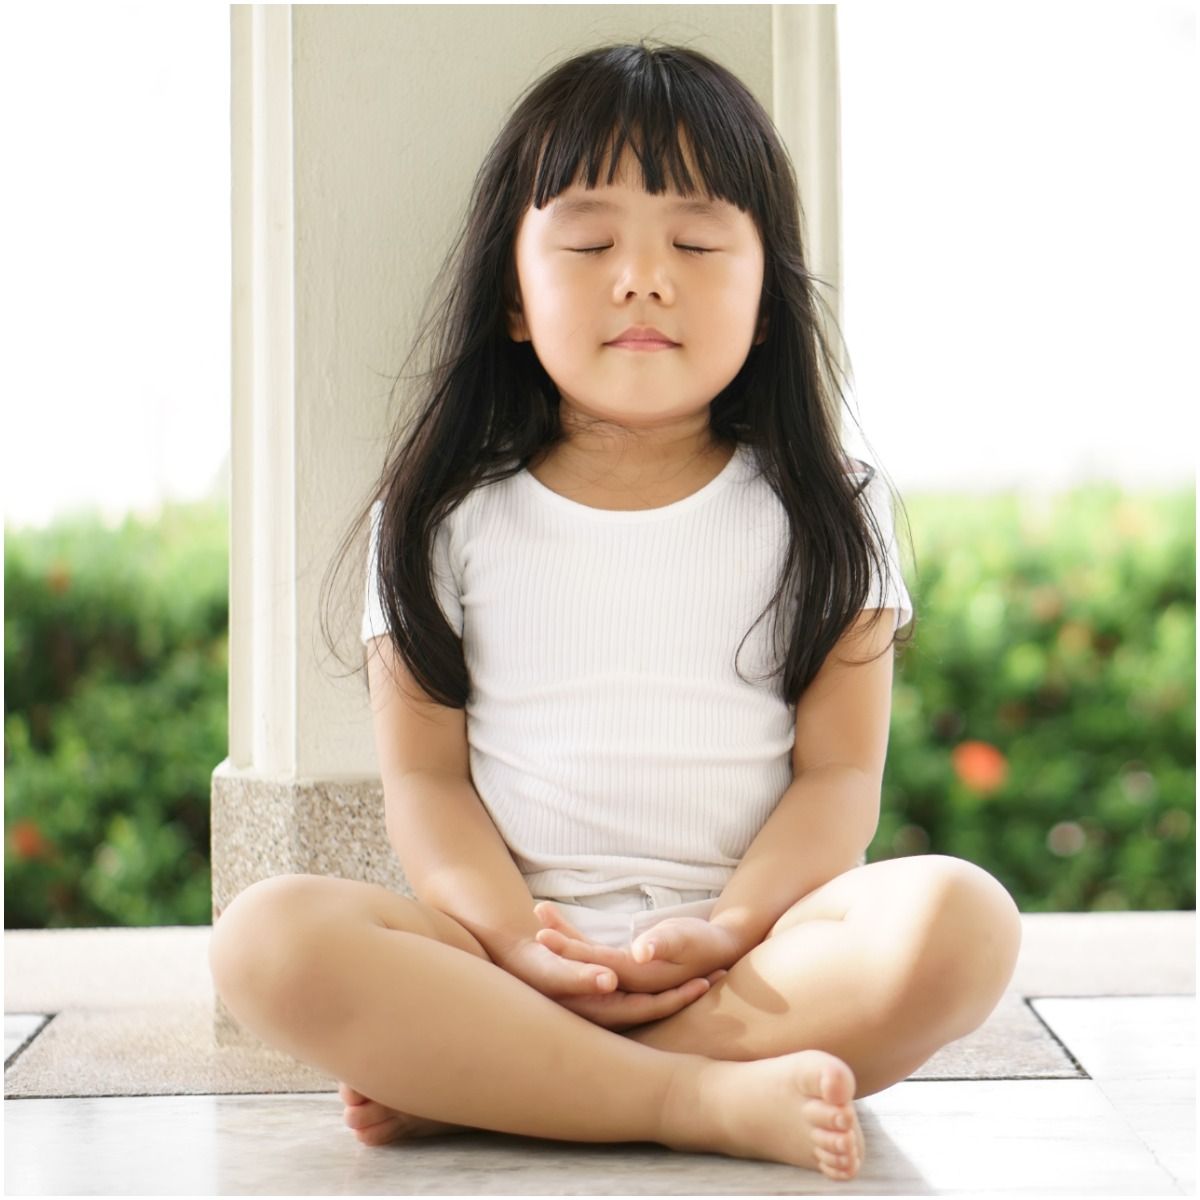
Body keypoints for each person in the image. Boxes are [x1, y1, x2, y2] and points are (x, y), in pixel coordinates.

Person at [209, 41, 1022, 1181]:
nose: (643, 277)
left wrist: (733, 927)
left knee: (964, 922)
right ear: (513, 297)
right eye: (590, 244)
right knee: (265, 938)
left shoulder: (834, 509)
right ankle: (690, 1097)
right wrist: (512, 944)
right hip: (509, 957)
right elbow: (428, 785)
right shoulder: (441, 510)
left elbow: (840, 780)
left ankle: (513, 1083)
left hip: (759, 959)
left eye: (695, 242)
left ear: (768, 295)